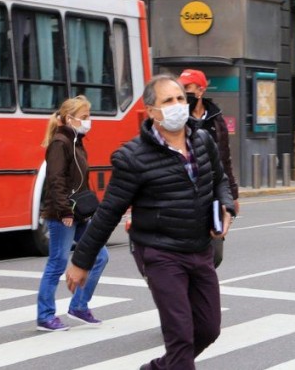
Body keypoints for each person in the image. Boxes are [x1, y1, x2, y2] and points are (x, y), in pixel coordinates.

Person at [66, 74, 234, 370]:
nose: (178, 105)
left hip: (200, 248)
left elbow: (219, 180)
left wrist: (227, 207)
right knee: (181, 336)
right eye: (168, 100)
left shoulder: (203, 140)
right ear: (152, 111)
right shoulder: (133, 157)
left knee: (208, 329)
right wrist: (82, 261)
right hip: (159, 252)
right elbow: (109, 211)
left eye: (181, 98)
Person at [35, 95, 109, 332]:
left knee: (100, 256)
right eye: (85, 117)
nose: (89, 121)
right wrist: (64, 211)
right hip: (62, 215)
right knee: (57, 263)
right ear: (70, 118)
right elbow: (55, 181)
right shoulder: (60, 143)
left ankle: (79, 306)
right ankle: (45, 316)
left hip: (78, 214)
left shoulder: (76, 142)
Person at [178, 68, 239, 268]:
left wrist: (233, 195)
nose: (184, 92)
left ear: (201, 90)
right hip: (186, 192)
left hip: (213, 191)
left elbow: (225, 159)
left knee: (216, 252)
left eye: (188, 87)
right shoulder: (177, 118)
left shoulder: (216, 119)